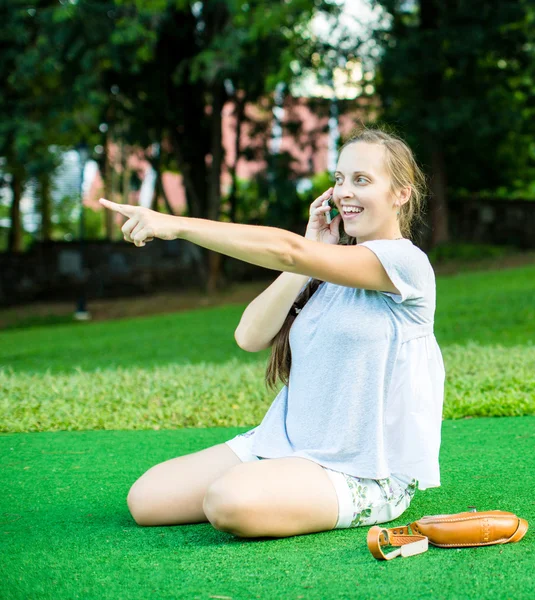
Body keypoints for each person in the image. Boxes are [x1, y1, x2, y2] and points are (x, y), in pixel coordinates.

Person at [117, 126, 445, 538]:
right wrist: (309, 254)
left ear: (401, 193)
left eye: (362, 180)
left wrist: (175, 225)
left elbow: (285, 248)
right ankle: (274, 482)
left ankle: (277, 488)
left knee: (227, 500)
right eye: (340, 179)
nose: (344, 192)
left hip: (361, 472)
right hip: (280, 445)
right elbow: (249, 336)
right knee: (147, 499)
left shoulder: (405, 263)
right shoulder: (323, 267)